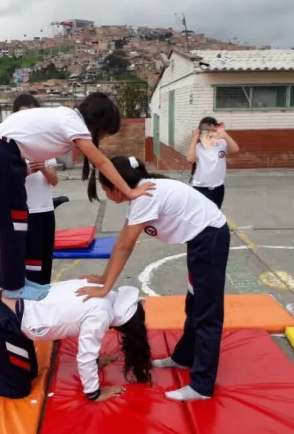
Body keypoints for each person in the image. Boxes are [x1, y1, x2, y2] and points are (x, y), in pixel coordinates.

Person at [78, 156, 230, 401]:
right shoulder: (143, 192)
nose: (107, 194)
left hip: (209, 239)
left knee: (207, 313)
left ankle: (202, 386)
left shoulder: (145, 197)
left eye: (105, 189)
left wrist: (106, 287)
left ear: (116, 186)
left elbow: (125, 247)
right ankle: (184, 357)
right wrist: (104, 278)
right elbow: (121, 242)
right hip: (201, 238)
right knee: (194, 303)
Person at [0, 92, 154, 301]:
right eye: (106, 132)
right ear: (98, 122)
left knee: (18, 222)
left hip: (7, 155)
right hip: (2, 154)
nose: (103, 137)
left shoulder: (68, 118)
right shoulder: (73, 121)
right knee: (13, 225)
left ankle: (17, 280)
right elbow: (102, 162)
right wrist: (131, 191)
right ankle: (13, 286)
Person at [0, 279, 152, 402]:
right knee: (17, 387)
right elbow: (85, 355)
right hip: (3, 323)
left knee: (29, 370)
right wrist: (94, 393)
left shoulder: (99, 291)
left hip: (6, 313)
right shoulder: (102, 312)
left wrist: (95, 362)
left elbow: (75, 315)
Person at [13, 94, 60, 284]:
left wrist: (42, 169)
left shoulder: (46, 145)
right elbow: (5, 180)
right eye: (22, 115)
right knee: (29, 260)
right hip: (24, 212)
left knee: (46, 256)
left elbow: (54, 181)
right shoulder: (12, 145)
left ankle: (44, 294)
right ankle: (28, 299)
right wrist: (26, 170)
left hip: (45, 210)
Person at [186, 117, 239, 209]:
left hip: (218, 188)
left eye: (214, 130)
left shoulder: (221, 143)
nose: (211, 133)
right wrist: (194, 138)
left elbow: (235, 149)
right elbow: (190, 159)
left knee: (215, 215)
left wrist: (225, 135)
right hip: (201, 188)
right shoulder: (198, 147)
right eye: (207, 131)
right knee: (200, 215)